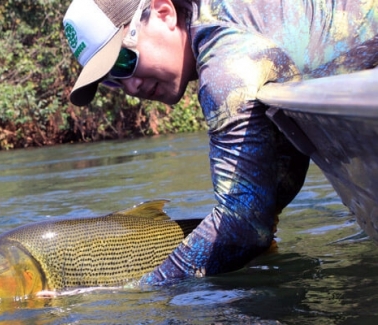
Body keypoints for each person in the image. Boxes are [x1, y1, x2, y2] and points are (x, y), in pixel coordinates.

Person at [62, 0, 378, 285]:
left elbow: (243, 224)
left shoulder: (224, 65)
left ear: (164, 12)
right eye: (110, 79)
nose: (130, 86)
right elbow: (276, 180)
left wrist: (141, 293)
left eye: (122, 62)